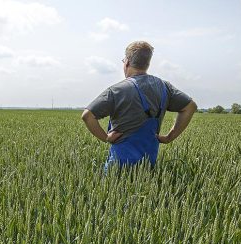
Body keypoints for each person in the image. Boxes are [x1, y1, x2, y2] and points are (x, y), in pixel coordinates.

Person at [81, 41, 197, 171]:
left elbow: (87, 115)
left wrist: (106, 138)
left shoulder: (116, 90)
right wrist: (170, 137)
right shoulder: (165, 87)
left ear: (127, 62)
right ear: (147, 64)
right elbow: (190, 107)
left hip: (118, 167)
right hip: (148, 167)